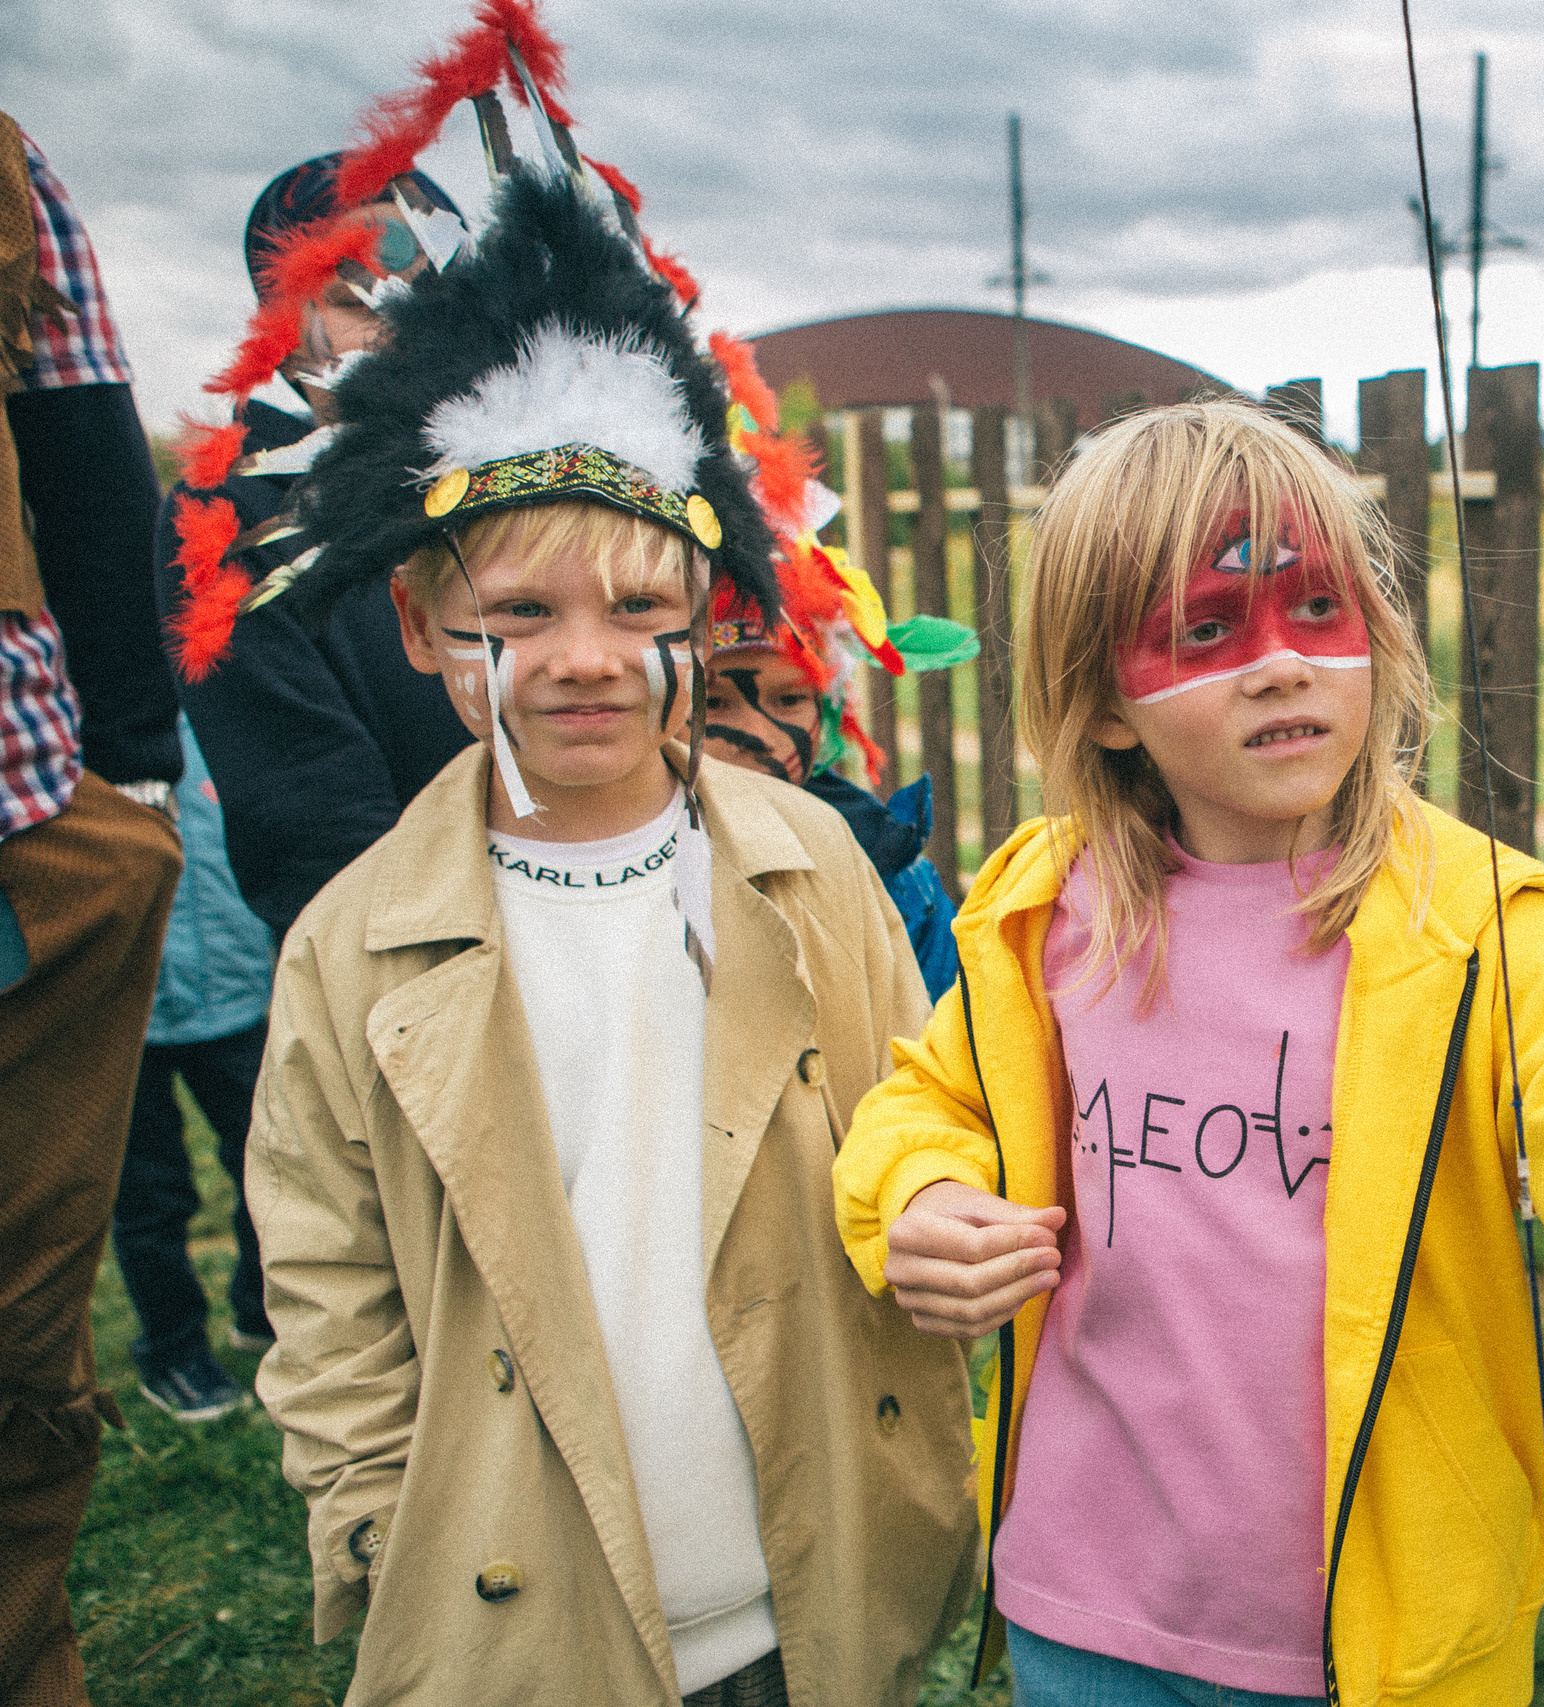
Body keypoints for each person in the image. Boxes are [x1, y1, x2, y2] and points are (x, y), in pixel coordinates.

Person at [833, 400, 1544, 1707]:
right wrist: (923, 1196)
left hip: (1379, 1649)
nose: (1280, 664)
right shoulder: (1046, 912)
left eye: (1319, 609)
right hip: (1083, 1610)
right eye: (1207, 629)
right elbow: (932, 1098)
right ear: (1105, 704)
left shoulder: (1496, 935)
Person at [201, 27, 977, 1699]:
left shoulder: (814, 876)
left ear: (707, 612)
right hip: (522, 1614)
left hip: (809, 1576)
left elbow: (927, 1100)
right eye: (520, 614)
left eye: (640, 608)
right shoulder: (351, 945)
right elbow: (325, 1259)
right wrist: (365, 1504)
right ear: (421, 626)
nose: (586, 659)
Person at [0, 118, 185, 1706]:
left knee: (15, 1351)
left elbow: (78, 430)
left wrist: (129, 768)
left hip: (20, 840)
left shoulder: (7, 167)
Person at [152, 153, 474, 945]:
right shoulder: (235, 513)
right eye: (350, 298)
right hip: (402, 962)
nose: (397, 322)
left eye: (422, 293)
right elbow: (308, 810)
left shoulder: (539, 473)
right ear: (288, 337)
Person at [110, 713, 276, 1425]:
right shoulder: (86, 735)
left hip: (240, 993)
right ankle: (173, 1350)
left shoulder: (216, 714)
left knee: (270, 1168)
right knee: (150, 1194)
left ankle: (260, 1307)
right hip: (124, 1012)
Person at [700, 589, 960, 1001]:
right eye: (714, 703)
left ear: (828, 713)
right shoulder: (633, 867)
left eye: (790, 700)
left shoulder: (896, 881)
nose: (761, 736)